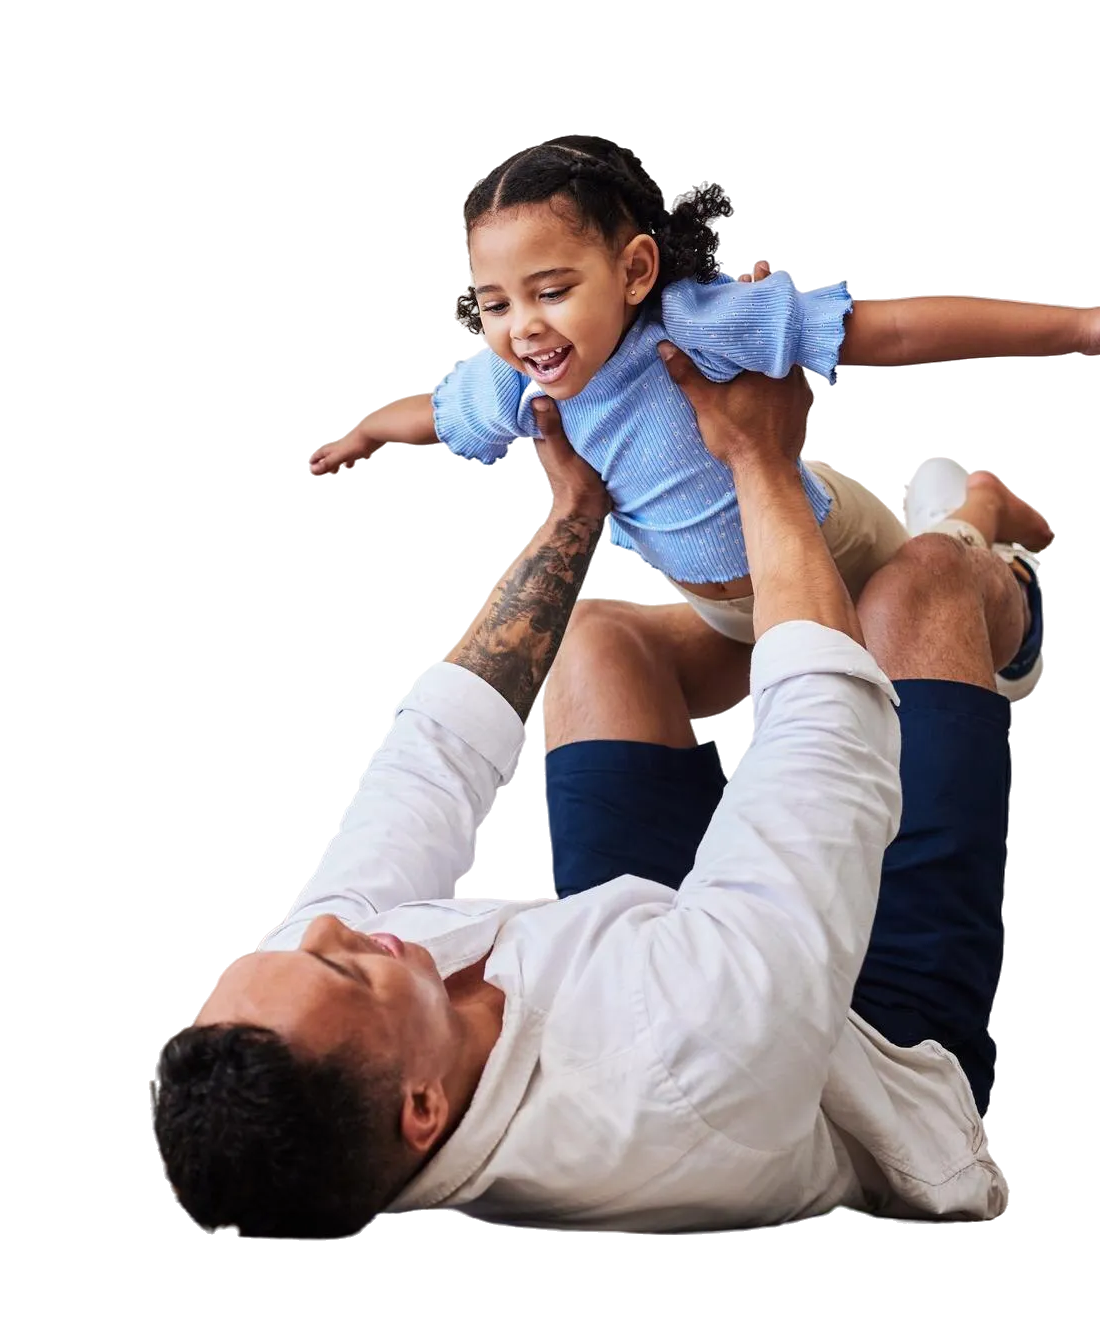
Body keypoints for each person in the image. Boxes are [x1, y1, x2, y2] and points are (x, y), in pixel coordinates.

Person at [151, 343, 1046, 1238]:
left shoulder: (321, 1011)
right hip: (871, 1040)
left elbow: (429, 759)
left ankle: (834, 580)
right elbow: (824, 734)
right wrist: (758, 459)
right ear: (421, 1109)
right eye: (346, 964)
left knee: (593, 649)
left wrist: (575, 514)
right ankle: (995, 559)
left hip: (638, 951)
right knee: (915, 590)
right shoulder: (681, 1063)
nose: (329, 926)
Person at [302, 133, 1100, 664]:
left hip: (826, 546)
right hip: (723, 604)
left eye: (549, 290)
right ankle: (967, 509)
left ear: (634, 271)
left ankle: (985, 517)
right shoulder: (518, 376)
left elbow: (897, 330)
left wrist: (1090, 328)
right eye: (494, 305)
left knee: (926, 615)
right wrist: (364, 437)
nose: (521, 327)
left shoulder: (698, 325)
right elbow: (435, 409)